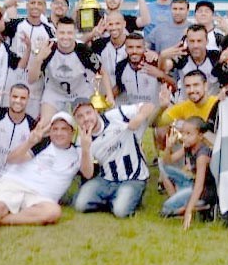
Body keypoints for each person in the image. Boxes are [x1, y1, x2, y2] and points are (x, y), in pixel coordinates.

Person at [0, 112, 92, 245]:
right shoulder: (43, 142)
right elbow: (12, 159)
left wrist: (86, 150)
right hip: (16, 184)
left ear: (72, 132)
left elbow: (87, 174)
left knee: (53, 212)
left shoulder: (79, 152)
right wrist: (29, 142)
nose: (59, 133)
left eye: (64, 129)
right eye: (55, 129)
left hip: (41, 198)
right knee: (0, 206)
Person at [72, 90, 168, 218]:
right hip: (107, 179)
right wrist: (85, 149)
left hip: (133, 178)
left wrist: (137, 120)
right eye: (80, 116)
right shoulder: (81, 139)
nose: (86, 119)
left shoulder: (115, 116)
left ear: (95, 112)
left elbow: (148, 106)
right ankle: (118, 198)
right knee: (80, 204)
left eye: (88, 113)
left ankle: (126, 198)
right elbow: (88, 173)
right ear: (76, 120)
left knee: (121, 212)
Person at [159, 117, 216, 229]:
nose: (184, 137)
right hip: (192, 183)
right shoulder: (188, 147)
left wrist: (188, 211)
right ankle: (181, 199)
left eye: (189, 134)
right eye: (183, 133)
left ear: (200, 136)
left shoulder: (202, 156)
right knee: (162, 165)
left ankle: (200, 207)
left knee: (166, 209)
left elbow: (199, 186)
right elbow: (168, 161)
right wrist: (169, 148)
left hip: (204, 191)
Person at [115, 33, 172, 105]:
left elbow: (173, 85)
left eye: (138, 47)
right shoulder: (120, 66)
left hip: (154, 112)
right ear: (125, 49)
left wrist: (161, 74)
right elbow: (119, 88)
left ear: (144, 48)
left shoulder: (154, 63)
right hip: (133, 113)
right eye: (130, 47)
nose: (134, 51)